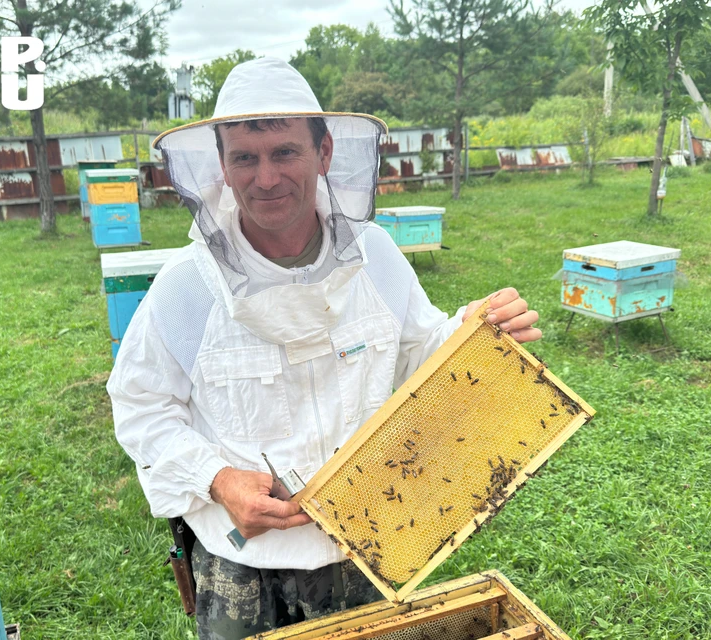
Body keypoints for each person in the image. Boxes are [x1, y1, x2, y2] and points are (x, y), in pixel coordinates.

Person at [107, 57, 541, 640]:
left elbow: (420, 352)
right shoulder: (187, 285)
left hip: (360, 549)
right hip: (240, 564)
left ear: (325, 153)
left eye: (285, 152)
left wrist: (473, 330)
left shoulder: (377, 257)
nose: (265, 178)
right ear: (222, 166)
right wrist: (217, 479)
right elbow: (141, 405)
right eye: (245, 157)